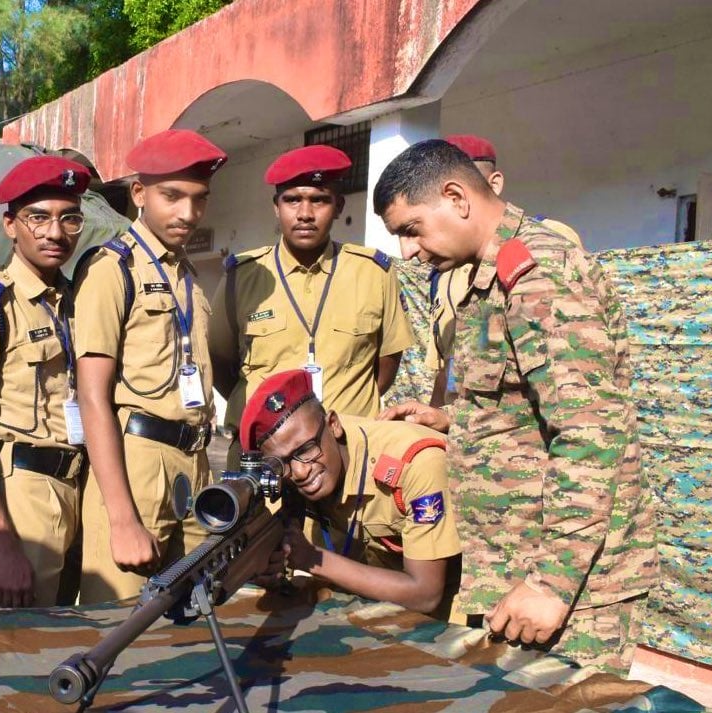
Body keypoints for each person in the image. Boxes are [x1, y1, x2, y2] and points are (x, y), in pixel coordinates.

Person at [373, 139, 658, 674]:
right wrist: (456, 421)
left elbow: (591, 432)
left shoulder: (539, 274)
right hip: (513, 568)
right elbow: (530, 407)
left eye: (412, 229)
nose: (409, 251)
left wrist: (551, 584)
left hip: (569, 589)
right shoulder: (489, 279)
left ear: (456, 197)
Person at [73, 129, 226, 604]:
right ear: (139, 193)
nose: (188, 213)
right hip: (136, 464)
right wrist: (121, 519)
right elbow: (92, 396)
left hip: (195, 461)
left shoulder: (187, 275)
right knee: (119, 621)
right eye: (172, 196)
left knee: (190, 619)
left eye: (200, 199)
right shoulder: (111, 269)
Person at [0, 156, 92, 608]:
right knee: (19, 637)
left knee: (70, 633)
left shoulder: (78, 301)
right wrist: (2, 543)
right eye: (38, 218)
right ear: (10, 225)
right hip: (21, 493)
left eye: (70, 219)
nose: (55, 233)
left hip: (80, 486)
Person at [209, 145, 414, 464]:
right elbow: (220, 364)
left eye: (319, 200)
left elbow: (386, 362)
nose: (305, 213)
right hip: (263, 453)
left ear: (338, 205)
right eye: (292, 200)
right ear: (276, 207)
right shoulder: (242, 277)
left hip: (346, 453)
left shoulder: (374, 273)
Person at [244, 370, 461, 616]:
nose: (300, 471)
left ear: (333, 425)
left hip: (455, 600)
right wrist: (271, 563)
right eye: (282, 463)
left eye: (305, 450)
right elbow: (282, 534)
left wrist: (311, 558)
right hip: (377, 589)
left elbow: (425, 594)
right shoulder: (301, 455)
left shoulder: (416, 464)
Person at [427, 134, 582, 406]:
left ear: (494, 184)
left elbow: (574, 383)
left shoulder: (544, 243)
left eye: (459, 195)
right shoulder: (445, 273)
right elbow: (444, 371)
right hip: (462, 424)